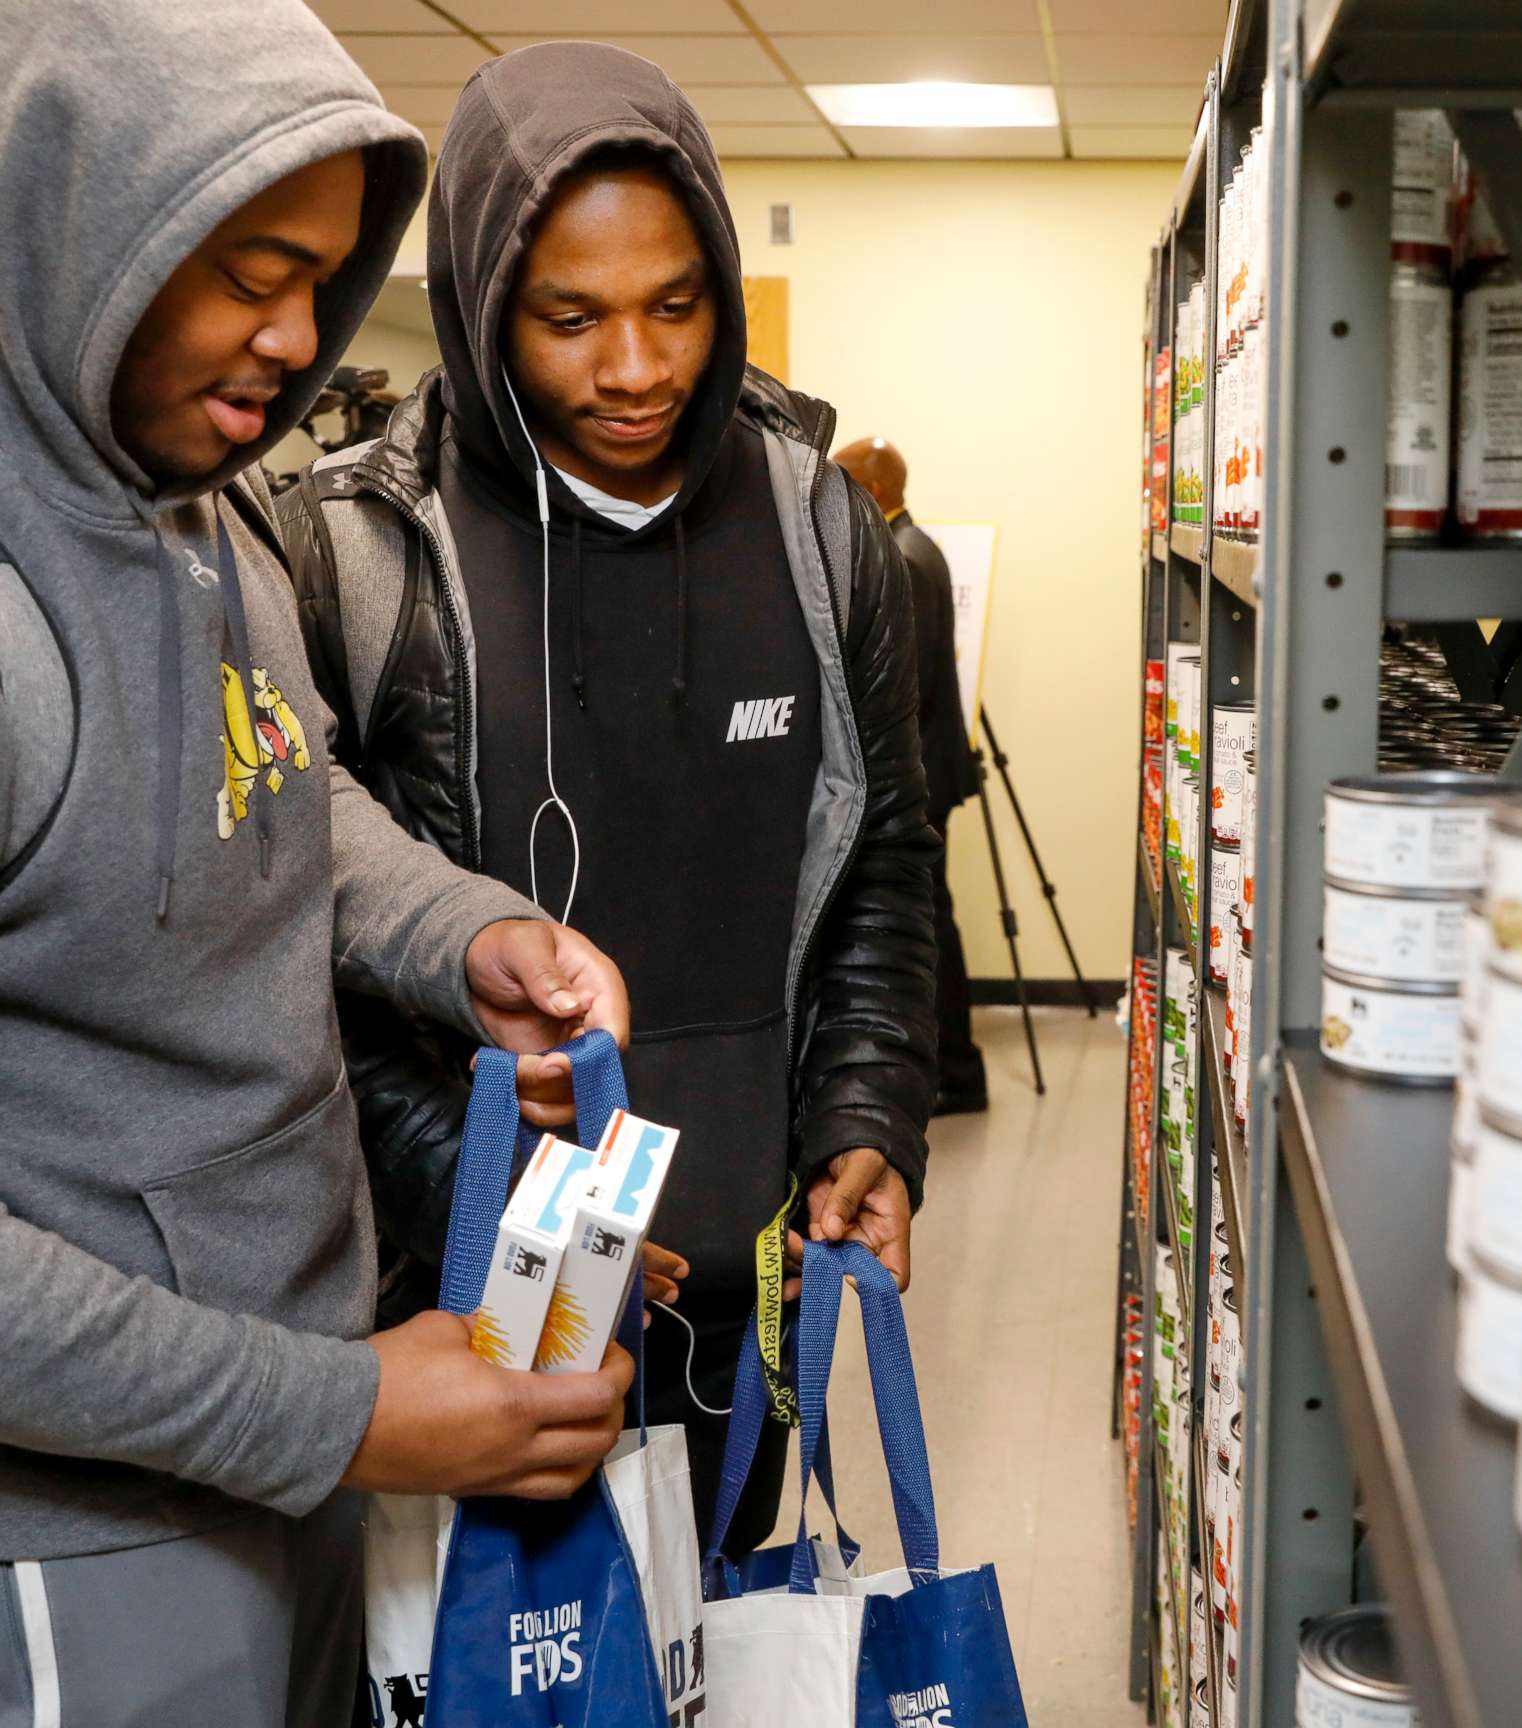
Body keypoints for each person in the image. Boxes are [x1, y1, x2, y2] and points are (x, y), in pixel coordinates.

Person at [0, 3, 644, 1721]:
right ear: (60, 221)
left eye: (321, 275)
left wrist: (460, 933)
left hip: (248, 1464)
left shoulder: (180, 482)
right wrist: (345, 1412)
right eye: (241, 271)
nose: (294, 341)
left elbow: (272, 783)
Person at [277, 42, 940, 1556]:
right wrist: (486, 1189)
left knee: (707, 1654)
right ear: (481, 303)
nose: (636, 369)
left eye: (677, 306)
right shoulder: (357, 553)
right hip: (460, 1306)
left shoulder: (825, 531)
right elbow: (304, 946)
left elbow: (884, 861)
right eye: (570, 320)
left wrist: (868, 1114)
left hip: (746, 1286)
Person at [834, 436, 988, 1113]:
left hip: (919, 780)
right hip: (930, 773)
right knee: (931, 918)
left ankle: (956, 1070)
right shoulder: (916, 547)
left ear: (869, 492)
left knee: (926, 924)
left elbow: (902, 691)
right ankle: (949, 1066)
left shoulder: (901, 558)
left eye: (839, 488)